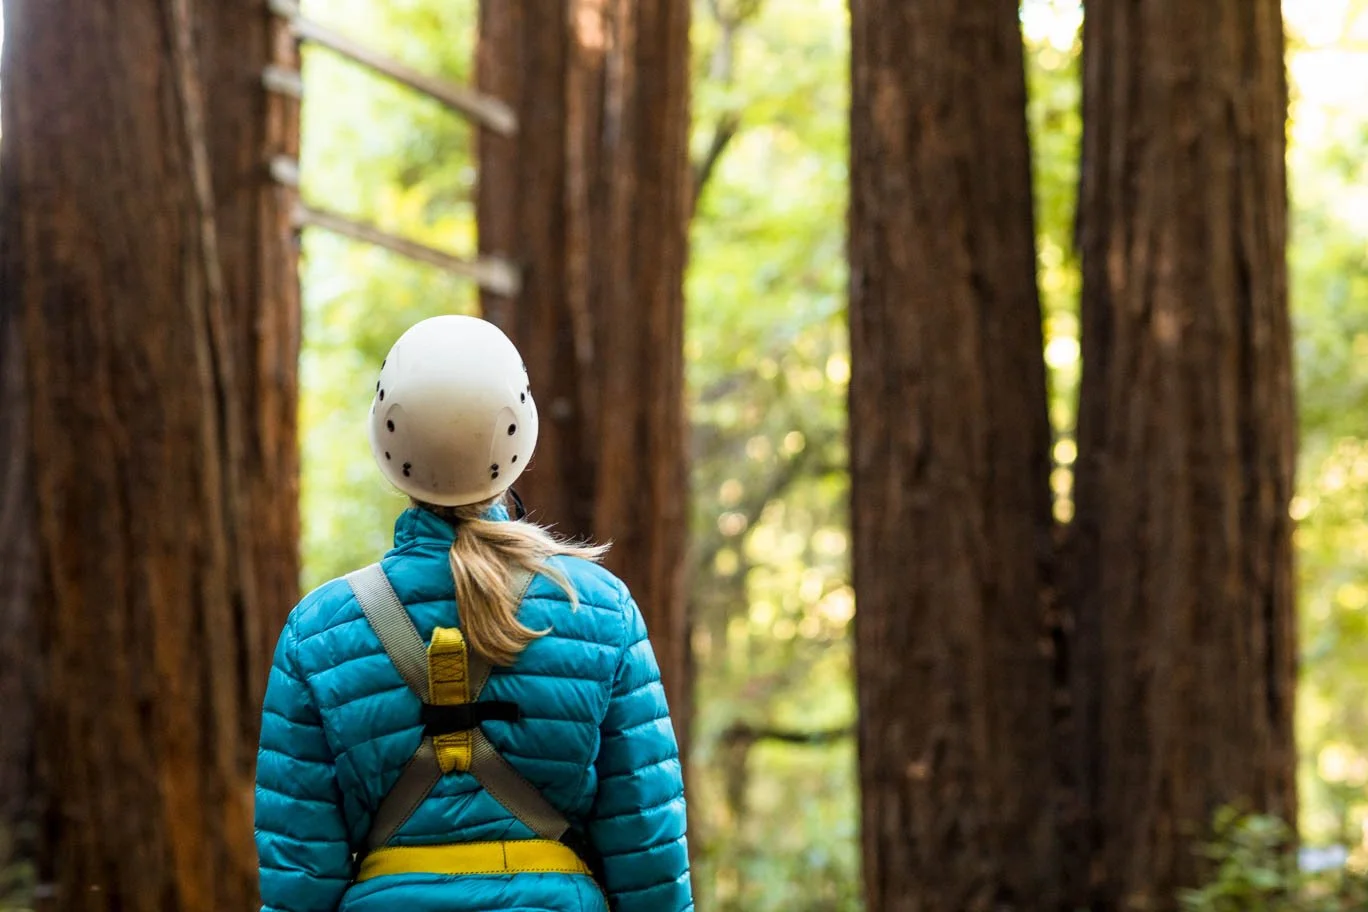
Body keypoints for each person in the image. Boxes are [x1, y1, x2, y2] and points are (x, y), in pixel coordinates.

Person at [254, 315, 692, 912]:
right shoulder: (597, 610)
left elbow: (298, 878)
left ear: (386, 437)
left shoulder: (319, 632)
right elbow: (649, 852)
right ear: (519, 433)